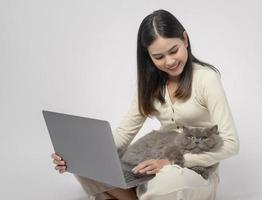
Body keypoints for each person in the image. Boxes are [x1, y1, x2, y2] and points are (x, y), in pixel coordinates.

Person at [51, 9, 239, 200]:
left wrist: (170, 162)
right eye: (159, 57)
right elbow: (125, 132)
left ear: (185, 40)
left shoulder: (206, 79)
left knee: (165, 182)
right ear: (148, 56)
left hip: (195, 171)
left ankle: (130, 195)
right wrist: (79, 157)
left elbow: (231, 144)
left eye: (174, 50)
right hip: (156, 161)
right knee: (86, 167)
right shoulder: (150, 84)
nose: (170, 61)